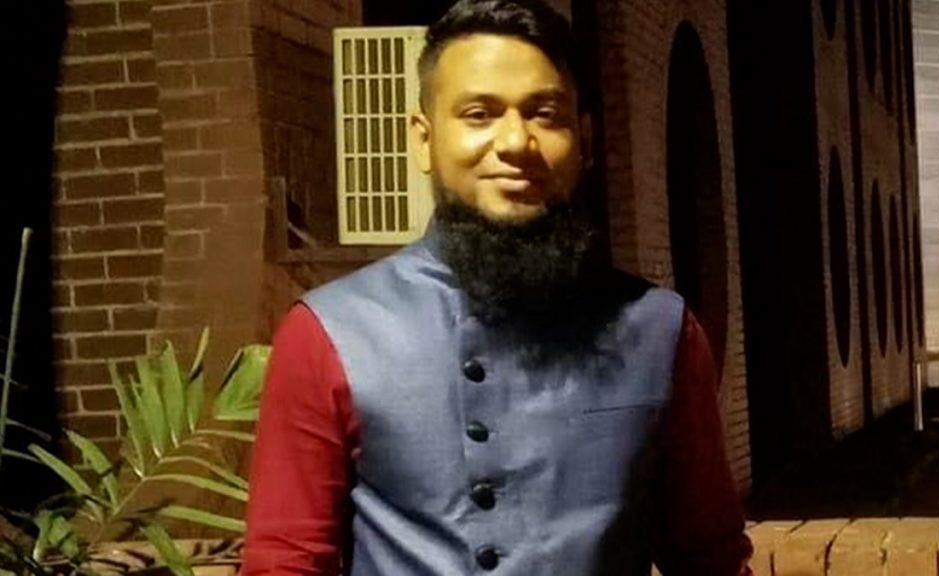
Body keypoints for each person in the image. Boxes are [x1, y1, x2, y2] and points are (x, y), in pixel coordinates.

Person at [241, 0, 753, 574]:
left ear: (584, 139)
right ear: (423, 139)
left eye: (544, 114)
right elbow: (284, 564)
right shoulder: (329, 334)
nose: (515, 142)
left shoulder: (661, 331)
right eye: (479, 113)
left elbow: (713, 559)